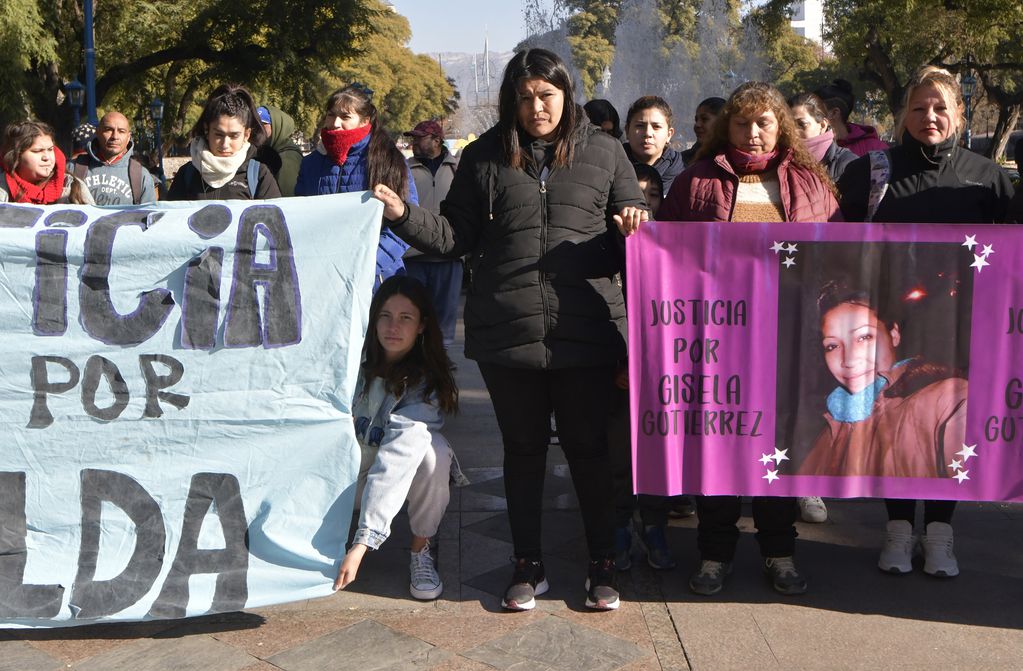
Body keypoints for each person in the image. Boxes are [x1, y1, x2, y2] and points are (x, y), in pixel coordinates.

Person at [370, 48, 647, 611]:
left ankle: (602, 565)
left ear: (566, 95)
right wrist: (403, 215)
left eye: (546, 95)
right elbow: (454, 237)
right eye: (524, 98)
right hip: (507, 333)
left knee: (589, 451)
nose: (536, 107)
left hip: (586, 330)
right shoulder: (485, 156)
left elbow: (631, 232)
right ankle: (528, 564)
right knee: (522, 452)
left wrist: (633, 227)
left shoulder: (606, 150)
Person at [659, 81, 841, 597]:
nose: (753, 132)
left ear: (779, 125)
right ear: (726, 127)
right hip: (716, 343)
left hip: (790, 342)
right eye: (742, 122)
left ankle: (779, 552)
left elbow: (841, 254)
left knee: (778, 453)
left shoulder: (809, 182)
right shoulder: (696, 181)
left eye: (763, 121)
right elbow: (665, 253)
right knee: (717, 454)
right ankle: (714, 554)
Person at [838, 65, 1014, 578]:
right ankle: (897, 529)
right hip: (893, 329)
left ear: (958, 113)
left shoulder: (991, 179)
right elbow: (835, 245)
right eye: (918, 107)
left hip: (966, 327)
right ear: (902, 115)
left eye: (940, 107)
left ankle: (940, 533)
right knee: (897, 423)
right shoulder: (869, 173)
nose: (929, 117)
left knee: (949, 430)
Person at [333, 276, 459, 601]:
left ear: (421, 326)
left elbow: (395, 460)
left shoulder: (425, 384)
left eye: (406, 318)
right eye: (385, 316)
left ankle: (421, 550)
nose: (393, 327)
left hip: (388, 479)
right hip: (336, 477)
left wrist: (362, 544)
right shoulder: (349, 361)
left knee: (435, 453)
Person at [799, 281, 967, 479]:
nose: (848, 360)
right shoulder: (832, 427)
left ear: (894, 334)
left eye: (864, 337)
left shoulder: (947, 400)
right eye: (832, 346)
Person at [610, 160, 675, 573]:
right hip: (616, 369)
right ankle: (618, 527)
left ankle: (655, 528)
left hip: (661, 372)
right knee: (617, 454)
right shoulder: (607, 247)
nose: (642, 207)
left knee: (657, 454)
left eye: (651, 198)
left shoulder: (674, 251)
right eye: (633, 197)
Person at [295, 83, 417, 291]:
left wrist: (369, 265)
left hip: (377, 280)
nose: (335, 123)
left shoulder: (388, 160)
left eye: (345, 117)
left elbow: (407, 222)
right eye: (331, 115)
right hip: (323, 280)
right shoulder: (311, 163)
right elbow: (300, 219)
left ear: (365, 121)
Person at [403, 120, 462, 349]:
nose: (414, 143)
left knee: (444, 323)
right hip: (412, 257)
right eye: (413, 138)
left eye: (420, 138)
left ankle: (441, 366)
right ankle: (414, 366)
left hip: (448, 256)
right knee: (412, 316)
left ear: (437, 141)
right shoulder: (404, 168)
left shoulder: (458, 168)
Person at [167, 84, 281, 201]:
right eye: (219, 135)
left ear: (246, 134)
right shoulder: (187, 175)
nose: (225, 144)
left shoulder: (259, 175)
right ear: (207, 130)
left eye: (234, 136)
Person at [71, 110, 157, 205]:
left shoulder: (142, 176)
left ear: (128, 137)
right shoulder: (72, 169)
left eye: (121, 131)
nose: (115, 136)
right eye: (108, 130)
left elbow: (148, 216)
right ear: (98, 133)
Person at [0, 120, 93, 205]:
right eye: (37, 151)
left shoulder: (73, 187)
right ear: (16, 155)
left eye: (50, 149)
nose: (47, 157)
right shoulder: (3, 188)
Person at [789, 92, 857, 183]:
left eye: (801, 124)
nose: (794, 132)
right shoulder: (782, 162)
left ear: (822, 125)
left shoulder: (848, 164)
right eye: (788, 126)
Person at [624, 95, 685, 193]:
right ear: (627, 131)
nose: (648, 133)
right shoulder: (610, 168)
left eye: (656, 127)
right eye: (640, 126)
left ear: (669, 134)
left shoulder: (684, 177)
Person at [814, 79, 888, 156]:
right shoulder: (807, 149)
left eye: (814, 113)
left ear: (834, 113)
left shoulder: (876, 150)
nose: (809, 117)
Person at [254, 105, 303, 196]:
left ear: (276, 126)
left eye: (262, 124)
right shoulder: (267, 152)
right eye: (254, 124)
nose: (257, 129)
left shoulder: (287, 157)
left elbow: (288, 198)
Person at [680, 97, 725, 165]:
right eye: (696, 120)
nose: (697, 125)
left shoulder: (734, 160)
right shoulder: (682, 160)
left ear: (722, 122)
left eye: (704, 119)